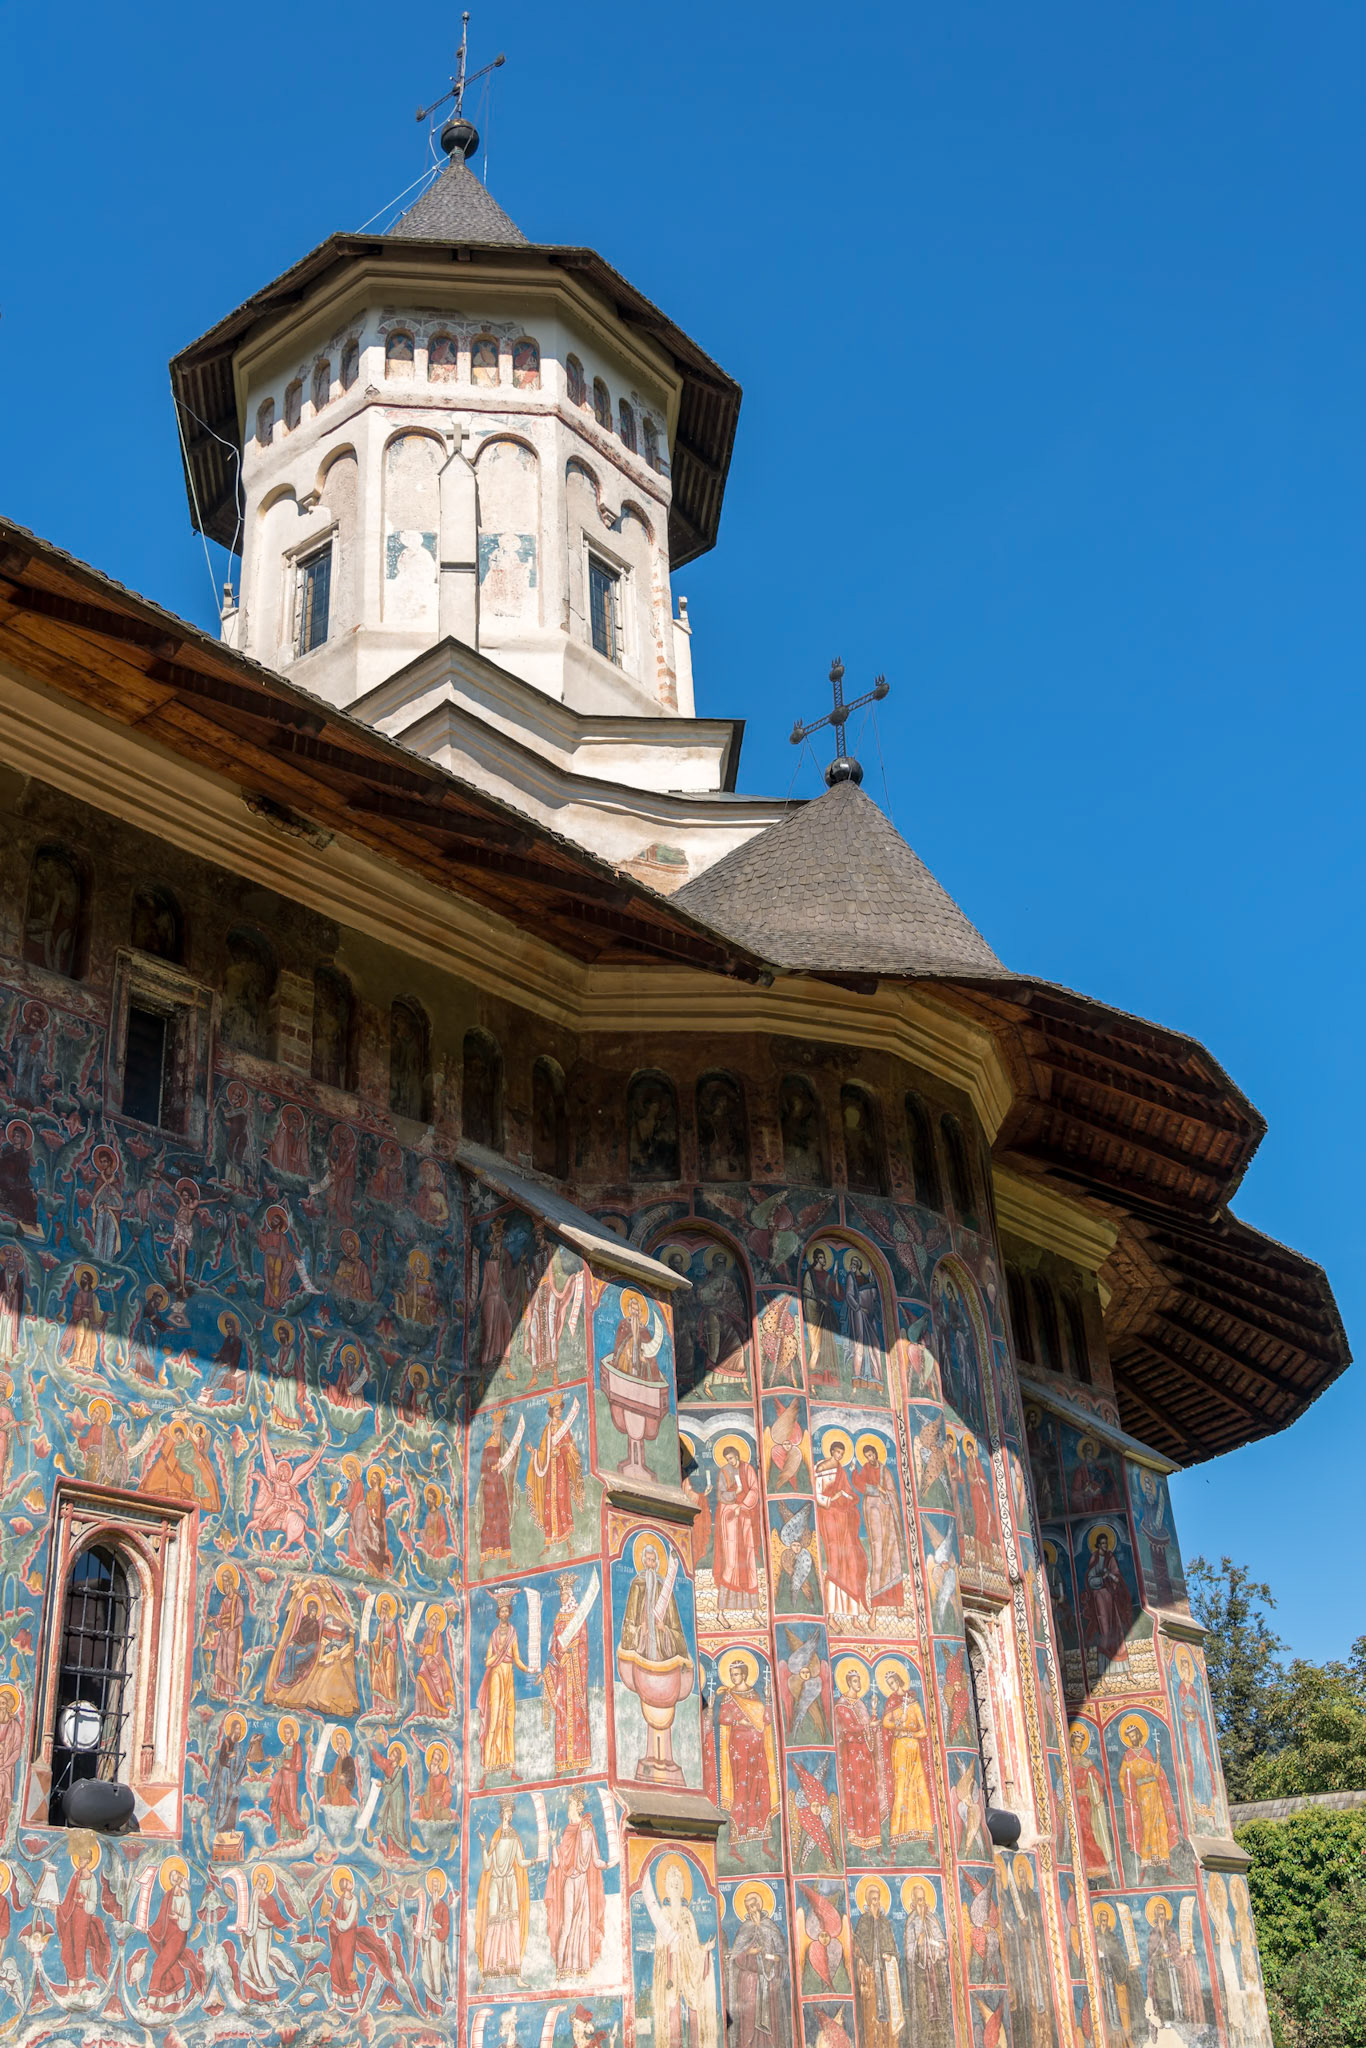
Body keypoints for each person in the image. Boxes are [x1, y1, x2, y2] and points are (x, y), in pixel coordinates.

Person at [651, 1860, 718, 2048]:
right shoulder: (663, 1914)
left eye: (678, 1883)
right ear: (665, 1887)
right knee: (672, 2014)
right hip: (670, 1970)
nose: (675, 1886)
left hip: (689, 1969)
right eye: (672, 1883)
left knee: (693, 2011)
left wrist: (704, 1950)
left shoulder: (688, 1914)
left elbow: (694, 1945)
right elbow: (659, 1948)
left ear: (682, 1888)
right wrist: (669, 1946)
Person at [717, 1658, 779, 1847]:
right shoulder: (729, 1696)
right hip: (739, 1747)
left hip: (756, 1746)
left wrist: (768, 1699)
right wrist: (738, 1721)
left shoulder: (754, 1695)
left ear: (744, 1674)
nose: (733, 1677)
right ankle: (739, 1832)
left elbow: (765, 1719)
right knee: (741, 1786)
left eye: (736, 1674)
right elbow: (723, 1718)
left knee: (758, 1784)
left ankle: (759, 1829)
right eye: (731, 1674)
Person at [545, 1790, 606, 1978]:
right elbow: (556, 1863)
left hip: (584, 1883)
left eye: (570, 1804)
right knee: (567, 1926)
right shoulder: (567, 1831)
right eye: (569, 1804)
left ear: (577, 1807)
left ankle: (582, 1967)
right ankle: (560, 1968)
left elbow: (595, 1859)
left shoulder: (586, 1827)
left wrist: (610, 1863)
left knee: (585, 1924)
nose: (568, 1808)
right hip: (570, 1883)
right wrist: (553, 1842)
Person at [478, 1589, 533, 1783]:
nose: (503, 1614)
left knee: (509, 1719)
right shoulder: (494, 1635)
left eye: (506, 1611)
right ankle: (486, 1770)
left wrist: (529, 1669)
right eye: (500, 1611)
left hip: (508, 1674)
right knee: (494, 1719)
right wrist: (499, 1651)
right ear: (498, 1613)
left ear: (509, 1612)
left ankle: (511, 1769)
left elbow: (517, 1658)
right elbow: (487, 1661)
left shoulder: (512, 1632)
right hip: (496, 1675)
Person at [726, 1889, 792, 2048]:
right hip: (748, 1985)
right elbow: (735, 1959)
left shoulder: (771, 1927)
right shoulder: (745, 1929)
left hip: (768, 1984)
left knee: (770, 2026)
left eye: (754, 1905)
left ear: (760, 1905)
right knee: (749, 2023)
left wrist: (775, 1959)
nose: (751, 1909)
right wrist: (748, 1952)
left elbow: (782, 1956)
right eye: (748, 1907)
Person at [543, 1571, 593, 1773]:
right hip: (563, 1673)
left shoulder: (578, 1616)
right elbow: (555, 1647)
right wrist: (550, 1667)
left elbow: (583, 1642)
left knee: (578, 1714)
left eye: (565, 1593)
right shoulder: (558, 1619)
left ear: (571, 1594)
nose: (562, 1597)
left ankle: (580, 1761)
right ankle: (562, 1763)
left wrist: (571, 1650)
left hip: (575, 1671)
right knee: (562, 1714)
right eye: (561, 1594)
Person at [1118, 1716, 1179, 1879]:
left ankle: (1166, 1865)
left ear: (1138, 1735)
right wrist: (1126, 1795)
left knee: (1161, 1826)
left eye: (1134, 1735)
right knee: (1147, 1827)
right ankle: (1146, 1863)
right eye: (1129, 1737)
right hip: (1142, 1794)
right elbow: (1121, 1776)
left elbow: (1156, 1773)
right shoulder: (1128, 1756)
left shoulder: (1146, 1752)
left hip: (1155, 1792)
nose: (1132, 1739)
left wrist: (1158, 1757)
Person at [476, 1798, 531, 1980]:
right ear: (502, 1815)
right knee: (493, 1921)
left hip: (510, 1882)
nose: (509, 1815)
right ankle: (489, 1970)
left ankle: (515, 1971)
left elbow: (520, 1862)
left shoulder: (515, 1837)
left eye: (511, 1812)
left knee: (513, 1921)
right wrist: (484, 1845)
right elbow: (486, 1866)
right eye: (506, 1812)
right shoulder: (496, 1837)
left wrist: (534, 1861)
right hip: (496, 1882)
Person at [814, 1439, 867, 1623]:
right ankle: (830, 1616)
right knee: (834, 1562)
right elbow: (817, 1495)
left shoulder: (841, 1471)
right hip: (829, 1517)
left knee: (851, 1562)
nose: (839, 1456)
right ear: (831, 1452)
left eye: (841, 1454)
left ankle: (853, 1615)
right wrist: (832, 1498)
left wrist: (847, 1496)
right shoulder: (821, 1468)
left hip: (843, 1519)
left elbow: (849, 1491)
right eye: (837, 1453)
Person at [880, 1669, 934, 1847]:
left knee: (917, 1785)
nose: (893, 1687)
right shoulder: (892, 1702)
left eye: (894, 1683)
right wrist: (897, 1721)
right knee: (901, 1784)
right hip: (900, 1749)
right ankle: (898, 1832)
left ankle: (921, 1829)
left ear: (900, 1681)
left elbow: (924, 1730)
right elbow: (885, 1723)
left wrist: (911, 1734)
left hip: (913, 1748)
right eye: (890, 1685)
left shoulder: (913, 1703)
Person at [527, 1393, 586, 1553]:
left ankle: (568, 1544)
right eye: (557, 1410)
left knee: (562, 1503)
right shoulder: (547, 1430)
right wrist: (534, 1453)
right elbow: (543, 1451)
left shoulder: (563, 1427)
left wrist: (559, 1450)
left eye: (560, 1409)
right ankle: (547, 1545)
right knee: (548, 1505)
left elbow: (571, 1447)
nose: (560, 1412)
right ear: (552, 1412)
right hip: (549, 1473)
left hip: (560, 1470)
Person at [144, 1860, 205, 2010]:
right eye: (171, 1877)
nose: (173, 1879)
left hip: (179, 1935)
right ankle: (170, 2000)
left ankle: (151, 2000)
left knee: (159, 1965)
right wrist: (152, 1929)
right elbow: (161, 1917)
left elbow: (187, 1921)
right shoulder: (167, 1895)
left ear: (180, 1878)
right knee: (170, 1966)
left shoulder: (184, 1896)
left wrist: (178, 1918)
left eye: (175, 1876)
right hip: (167, 1934)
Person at [833, 1668, 883, 1851]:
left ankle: (871, 1836)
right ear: (848, 1682)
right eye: (854, 1681)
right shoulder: (842, 1705)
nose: (858, 1684)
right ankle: (857, 1835)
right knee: (857, 1792)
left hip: (865, 1753)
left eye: (859, 1680)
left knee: (869, 1791)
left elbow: (869, 1728)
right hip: (853, 1753)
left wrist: (874, 1716)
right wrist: (868, 1724)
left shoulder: (860, 1704)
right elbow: (850, 1727)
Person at [712, 1444, 763, 1619]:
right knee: (731, 1560)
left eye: (732, 1458)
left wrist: (742, 1506)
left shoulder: (748, 1469)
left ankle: (755, 1611)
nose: (730, 1462)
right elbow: (720, 1495)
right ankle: (721, 1611)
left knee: (748, 1562)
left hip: (745, 1516)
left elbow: (755, 1490)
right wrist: (735, 1497)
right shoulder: (724, 1472)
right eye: (727, 1459)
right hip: (730, 1518)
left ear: (738, 1456)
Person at [901, 1882, 953, 2048]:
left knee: (940, 2011)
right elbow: (908, 1954)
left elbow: (941, 1940)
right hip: (921, 1977)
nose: (922, 1904)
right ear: (913, 1903)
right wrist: (918, 1943)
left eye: (923, 1900)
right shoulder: (911, 1922)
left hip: (936, 1975)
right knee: (925, 2012)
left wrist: (942, 1945)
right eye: (919, 1900)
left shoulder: (932, 1919)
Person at [852, 1445, 903, 1609]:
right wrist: (855, 1471)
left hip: (887, 1517)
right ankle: (876, 1603)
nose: (870, 1458)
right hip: (873, 1514)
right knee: (877, 1555)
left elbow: (892, 1493)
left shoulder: (885, 1471)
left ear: (876, 1453)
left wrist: (883, 1492)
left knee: (893, 1556)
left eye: (871, 1454)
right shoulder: (866, 1468)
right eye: (867, 1456)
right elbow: (860, 1485)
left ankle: (898, 1607)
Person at [853, 1884, 904, 2048]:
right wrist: (864, 1963)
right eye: (873, 1900)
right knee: (871, 2015)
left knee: (888, 2016)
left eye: (878, 1899)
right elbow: (858, 1948)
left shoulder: (885, 1923)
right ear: (867, 1902)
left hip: (885, 1976)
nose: (876, 1903)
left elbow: (895, 1951)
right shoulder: (862, 1922)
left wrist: (890, 1957)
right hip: (870, 1977)